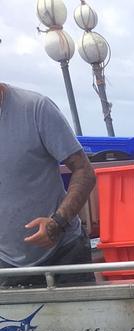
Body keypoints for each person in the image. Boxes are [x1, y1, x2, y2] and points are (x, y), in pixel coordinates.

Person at [0, 82, 96, 287]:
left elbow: (84, 171)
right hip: (6, 266)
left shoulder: (36, 108)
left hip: (66, 254)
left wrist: (57, 222)